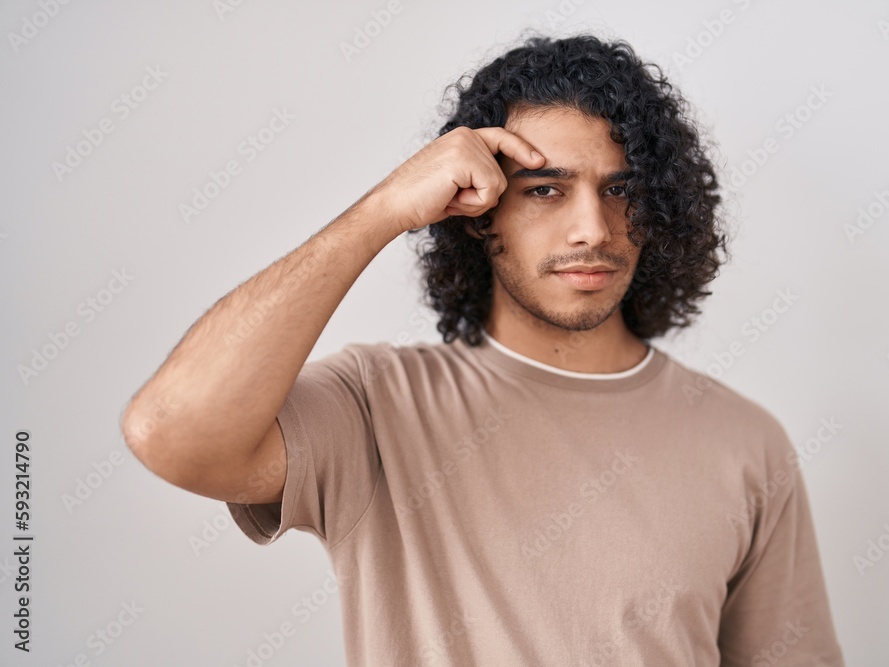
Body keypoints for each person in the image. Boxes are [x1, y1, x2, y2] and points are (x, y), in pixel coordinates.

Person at [122, 33, 845, 666]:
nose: (593, 229)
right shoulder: (376, 407)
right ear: (476, 211)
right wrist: (382, 209)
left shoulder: (746, 443)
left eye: (620, 190)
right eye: (546, 190)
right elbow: (170, 430)